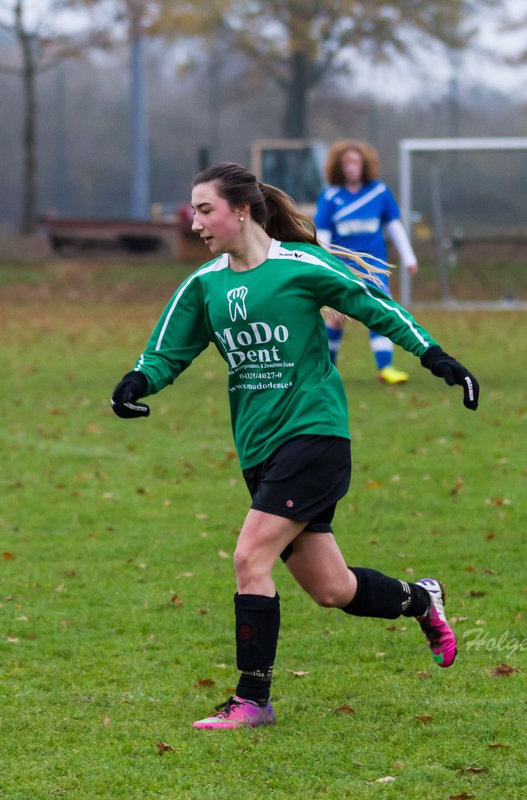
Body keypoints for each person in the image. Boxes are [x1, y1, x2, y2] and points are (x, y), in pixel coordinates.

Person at [110, 162, 479, 729]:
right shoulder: (205, 284)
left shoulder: (301, 266)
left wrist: (436, 358)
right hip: (259, 450)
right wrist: (137, 382)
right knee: (333, 589)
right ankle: (421, 599)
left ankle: (252, 699)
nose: (195, 223)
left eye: (205, 210)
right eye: (193, 211)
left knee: (249, 557)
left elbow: (376, 306)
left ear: (241, 209)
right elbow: (166, 351)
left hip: (314, 435)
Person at [313, 139, 419, 384]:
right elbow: (323, 236)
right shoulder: (329, 197)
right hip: (341, 267)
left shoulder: (379, 192)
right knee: (335, 318)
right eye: (346, 163)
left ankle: (386, 369)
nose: (352, 167)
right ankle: (328, 370)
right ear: (338, 167)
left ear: (364, 165)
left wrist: (409, 258)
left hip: (373, 268)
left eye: (356, 162)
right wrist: (322, 264)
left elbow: (394, 227)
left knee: (380, 313)